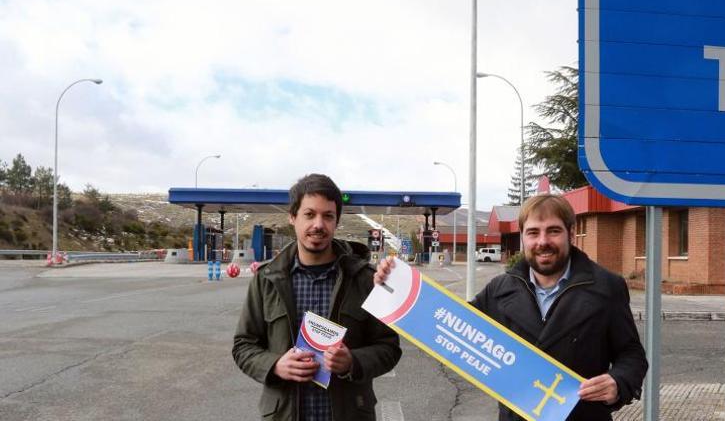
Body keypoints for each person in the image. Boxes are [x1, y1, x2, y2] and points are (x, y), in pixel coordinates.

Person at [374, 193, 648, 421]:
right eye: (533, 232)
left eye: (553, 230)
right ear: (522, 238)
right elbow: (450, 325)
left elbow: (632, 354)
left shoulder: (606, 287)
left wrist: (618, 382)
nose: (543, 242)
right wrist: (395, 285)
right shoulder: (500, 289)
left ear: (571, 234)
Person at [233, 174, 401, 421]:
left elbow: (388, 347)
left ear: (336, 221)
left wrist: (352, 362)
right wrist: (275, 365)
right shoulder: (266, 279)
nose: (318, 224)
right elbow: (243, 346)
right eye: (309, 214)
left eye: (328, 216)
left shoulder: (365, 279)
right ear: (293, 217)